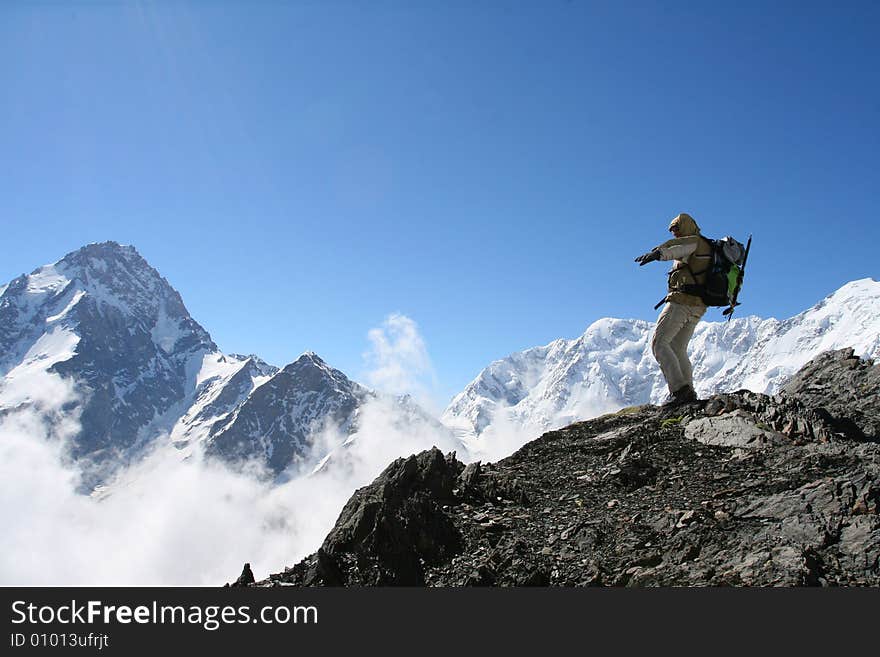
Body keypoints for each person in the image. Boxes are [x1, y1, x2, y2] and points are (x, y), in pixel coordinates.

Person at [634, 212, 713, 405]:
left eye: (677, 229)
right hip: (698, 306)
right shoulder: (704, 246)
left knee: (659, 343)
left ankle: (679, 391)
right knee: (678, 348)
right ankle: (688, 392)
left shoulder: (693, 242)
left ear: (686, 227)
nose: (674, 234)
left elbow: (675, 249)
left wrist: (658, 254)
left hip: (682, 302)